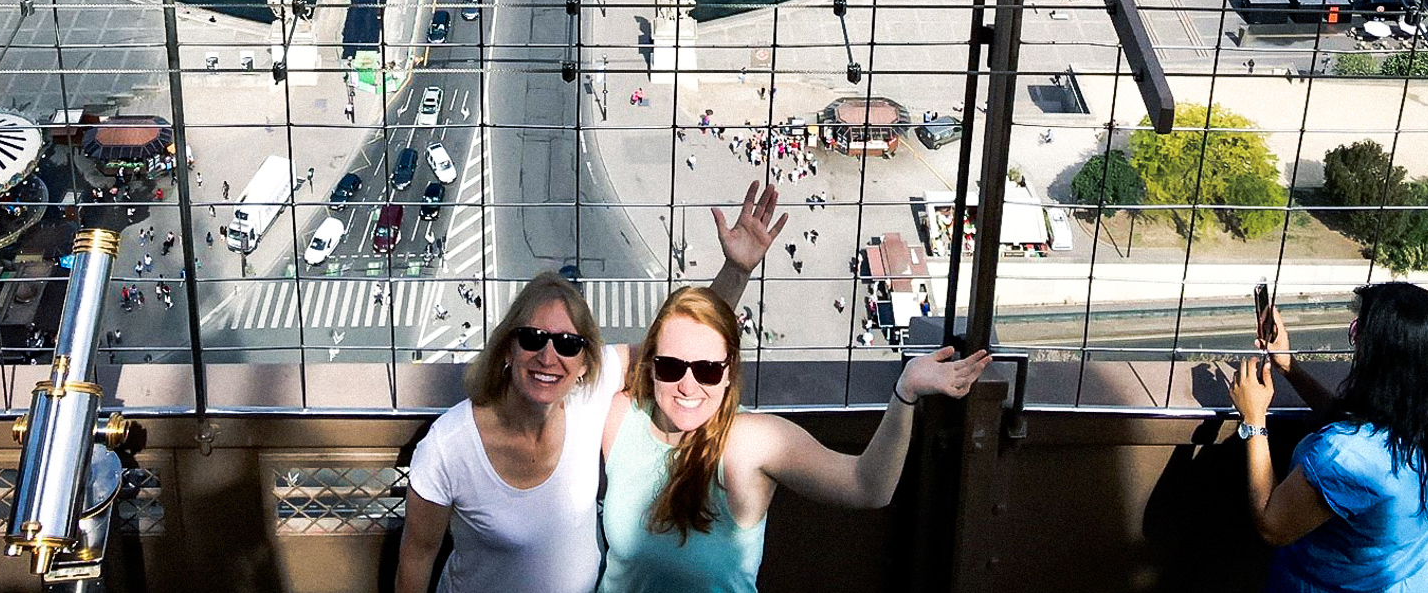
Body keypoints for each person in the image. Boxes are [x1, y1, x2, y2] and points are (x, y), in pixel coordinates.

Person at [397, 181, 787, 593]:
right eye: (532, 338)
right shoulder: (449, 445)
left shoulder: (588, 395)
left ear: (585, 362)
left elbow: (680, 346)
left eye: (568, 343)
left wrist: (737, 271)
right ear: (507, 348)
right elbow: (416, 560)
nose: (549, 357)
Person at [598, 287, 990, 593]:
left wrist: (905, 394)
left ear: (730, 373)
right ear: (649, 367)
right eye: (670, 367)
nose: (688, 385)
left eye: (707, 371)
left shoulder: (748, 443)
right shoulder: (620, 418)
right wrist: (736, 269)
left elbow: (867, 486)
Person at [1229, 283, 1428, 593]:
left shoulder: (1342, 458)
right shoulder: (1424, 421)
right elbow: (1365, 430)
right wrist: (1290, 369)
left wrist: (1253, 420)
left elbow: (1271, 524)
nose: (1353, 335)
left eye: (1358, 329)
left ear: (1379, 353)